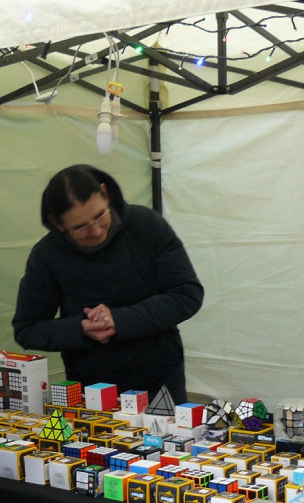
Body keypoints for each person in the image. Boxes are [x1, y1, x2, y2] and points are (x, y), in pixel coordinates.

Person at [12, 164, 203, 407]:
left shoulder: (147, 226)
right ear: (57, 224)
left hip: (161, 379)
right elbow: (27, 329)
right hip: (91, 387)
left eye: (100, 215)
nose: (95, 230)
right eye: (80, 227)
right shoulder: (47, 255)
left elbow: (187, 295)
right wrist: (79, 329)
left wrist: (120, 319)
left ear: (106, 194)